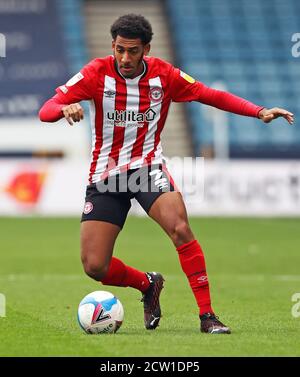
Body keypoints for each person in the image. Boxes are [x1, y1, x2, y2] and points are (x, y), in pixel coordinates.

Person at [39, 14, 294, 334]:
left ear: (147, 48)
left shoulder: (165, 75)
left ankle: (208, 316)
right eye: (119, 50)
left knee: (180, 227)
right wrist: (63, 109)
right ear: (112, 46)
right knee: (94, 266)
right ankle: (148, 285)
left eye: (133, 51)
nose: (125, 58)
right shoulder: (95, 73)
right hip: (107, 175)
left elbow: (208, 95)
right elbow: (46, 108)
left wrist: (258, 111)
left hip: (148, 168)